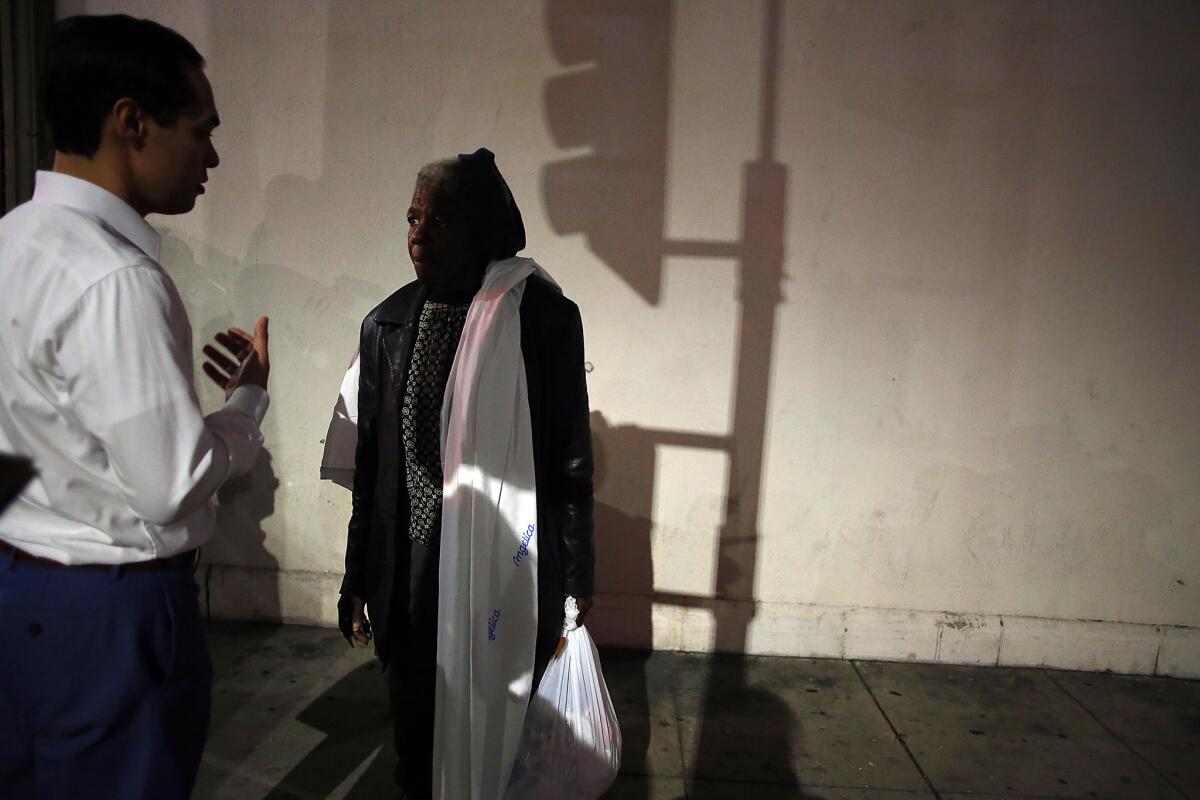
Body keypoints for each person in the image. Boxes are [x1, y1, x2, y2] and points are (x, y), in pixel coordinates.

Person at [0, 15, 270, 799]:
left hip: (22, 592)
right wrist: (246, 403)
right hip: (109, 614)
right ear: (131, 122)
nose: (213, 156)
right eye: (201, 129)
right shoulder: (116, 279)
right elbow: (168, 485)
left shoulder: (13, 241)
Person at [338, 149, 594, 798]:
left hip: (505, 566)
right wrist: (357, 577)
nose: (418, 234)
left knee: (503, 733)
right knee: (416, 737)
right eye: (411, 218)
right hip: (413, 572)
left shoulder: (540, 321)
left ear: (481, 228)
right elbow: (372, 467)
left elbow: (568, 461)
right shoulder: (388, 326)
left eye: (440, 220)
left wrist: (576, 574)